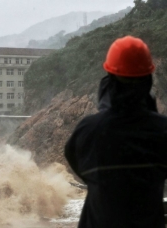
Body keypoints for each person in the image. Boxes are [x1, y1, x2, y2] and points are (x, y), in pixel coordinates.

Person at [65, 35, 167, 228]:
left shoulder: (89, 130)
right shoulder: (162, 131)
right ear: (148, 79)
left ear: (109, 78)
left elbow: (79, 166)